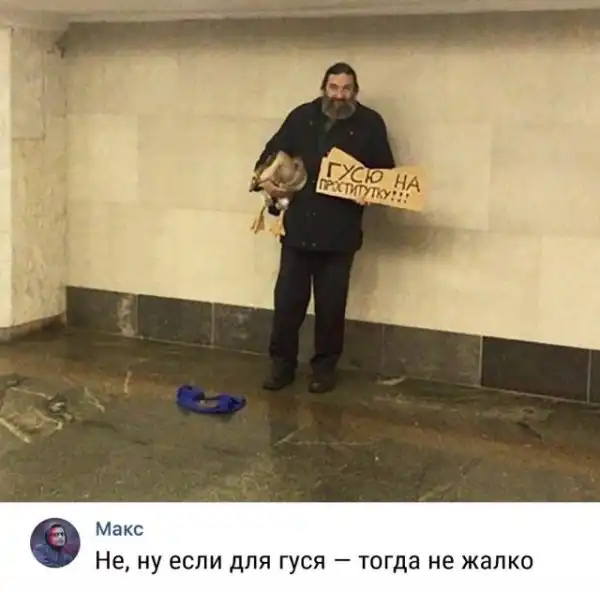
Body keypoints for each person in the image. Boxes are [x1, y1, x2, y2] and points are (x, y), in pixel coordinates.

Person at [252, 62, 395, 394]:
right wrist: (268, 180)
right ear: (323, 88)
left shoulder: (371, 124)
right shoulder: (301, 117)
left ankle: (324, 370)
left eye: (346, 89)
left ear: (355, 91)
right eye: (334, 87)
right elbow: (269, 155)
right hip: (298, 229)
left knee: (331, 306)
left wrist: (371, 193)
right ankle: (281, 366)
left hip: (340, 233)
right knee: (288, 303)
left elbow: (385, 174)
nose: (339, 95)